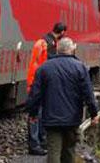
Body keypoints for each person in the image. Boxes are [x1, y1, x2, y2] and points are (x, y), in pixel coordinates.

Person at [26, 37, 99, 163]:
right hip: (72, 119)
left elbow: (35, 94)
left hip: (51, 118)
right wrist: (94, 114)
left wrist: (32, 113)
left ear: (57, 50)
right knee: (69, 150)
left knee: (53, 151)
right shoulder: (80, 68)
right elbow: (88, 94)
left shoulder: (44, 68)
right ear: (72, 50)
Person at [26, 22, 67, 155]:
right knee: (36, 114)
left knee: (38, 112)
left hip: (35, 82)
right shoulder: (49, 45)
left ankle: (39, 142)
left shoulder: (43, 41)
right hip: (40, 84)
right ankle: (35, 144)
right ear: (62, 32)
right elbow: (49, 65)